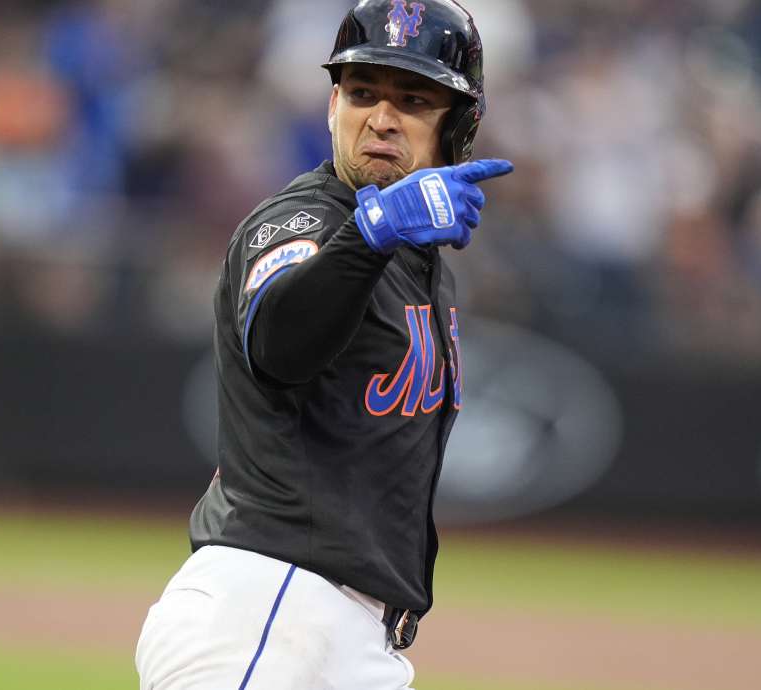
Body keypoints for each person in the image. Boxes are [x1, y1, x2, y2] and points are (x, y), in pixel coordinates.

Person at [134, 1, 511, 688]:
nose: (383, 117)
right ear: (333, 105)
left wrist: (382, 239)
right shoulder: (302, 219)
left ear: (460, 126)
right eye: (362, 92)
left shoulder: (418, 259)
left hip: (354, 638)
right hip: (268, 608)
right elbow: (281, 342)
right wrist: (369, 237)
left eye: (415, 99)